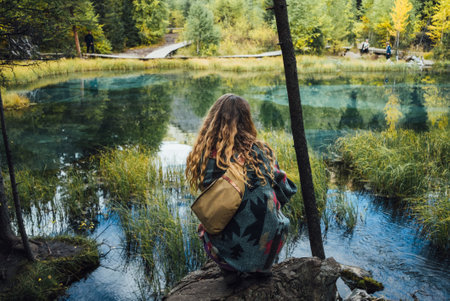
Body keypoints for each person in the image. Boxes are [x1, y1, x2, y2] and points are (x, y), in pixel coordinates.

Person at [186, 94, 297, 284]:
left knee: (204, 228)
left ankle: (232, 270)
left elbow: (213, 206)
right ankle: (259, 266)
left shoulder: (209, 157)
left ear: (213, 120)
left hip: (230, 251)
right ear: (247, 119)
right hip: (271, 246)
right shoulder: (262, 150)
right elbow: (285, 190)